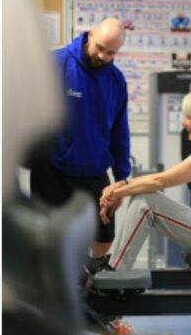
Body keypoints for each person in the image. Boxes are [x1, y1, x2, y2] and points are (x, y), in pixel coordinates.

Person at [98, 89, 191, 271]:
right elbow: (157, 180)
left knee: (147, 200)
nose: (184, 123)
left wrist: (115, 191)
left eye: (189, 117)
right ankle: (111, 262)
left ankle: (113, 268)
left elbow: (159, 181)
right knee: (144, 198)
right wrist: (119, 187)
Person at [29, 17, 130, 261]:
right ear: (90, 35)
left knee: (104, 235)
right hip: (51, 170)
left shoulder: (116, 81)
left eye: (111, 52)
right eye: (101, 48)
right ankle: (49, 292)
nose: (104, 56)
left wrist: (122, 178)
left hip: (94, 173)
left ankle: (96, 283)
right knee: (49, 239)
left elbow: (120, 131)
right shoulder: (55, 63)